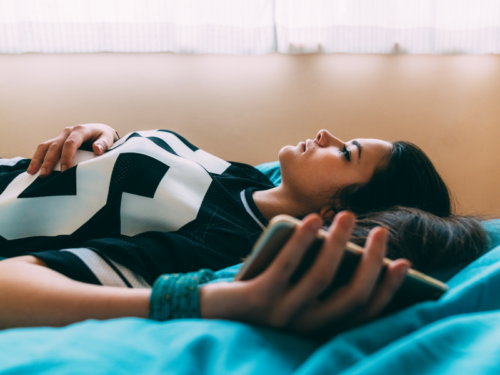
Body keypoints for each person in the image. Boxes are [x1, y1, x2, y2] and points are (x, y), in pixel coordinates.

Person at [0, 123, 452, 332]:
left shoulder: (220, 244)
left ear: (339, 214)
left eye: (345, 153)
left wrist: (204, 301)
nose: (325, 134)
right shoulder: (250, 178)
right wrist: (106, 135)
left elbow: (11, 286)